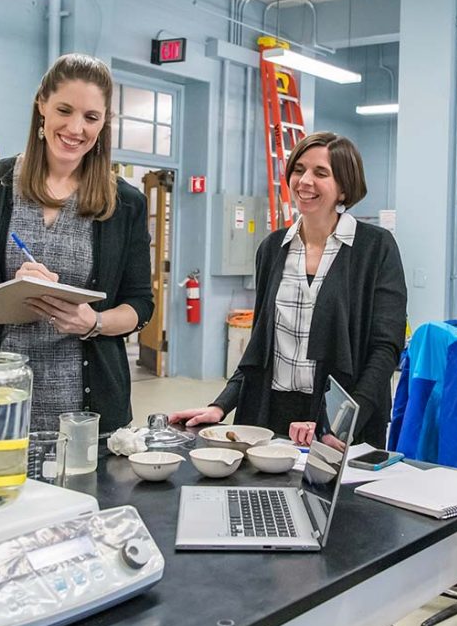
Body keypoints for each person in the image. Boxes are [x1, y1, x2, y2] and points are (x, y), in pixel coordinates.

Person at [170, 132, 406, 447]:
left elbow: (385, 349)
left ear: (344, 188)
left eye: (320, 173)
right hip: (268, 413)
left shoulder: (375, 248)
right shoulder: (272, 248)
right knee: (263, 497)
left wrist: (341, 423)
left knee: (330, 497)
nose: (304, 181)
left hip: (339, 421)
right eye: (298, 169)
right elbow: (260, 348)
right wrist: (220, 405)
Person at [0, 54, 153, 435]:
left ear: (104, 123)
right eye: (64, 110)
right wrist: (9, 291)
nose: (76, 128)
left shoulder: (125, 203)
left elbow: (140, 304)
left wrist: (93, 322)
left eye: (91, 117)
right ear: (41, 106)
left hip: (89, 413)